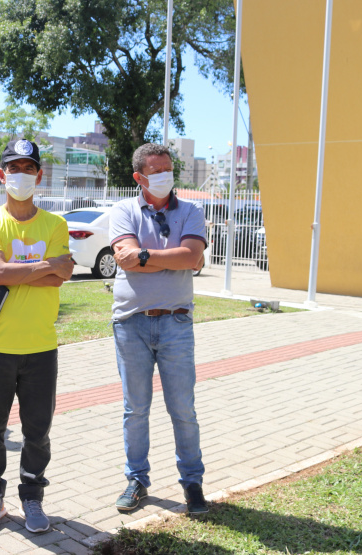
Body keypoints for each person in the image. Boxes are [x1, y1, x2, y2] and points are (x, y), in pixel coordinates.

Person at [0, 138, 75, 534]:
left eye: (29, 168)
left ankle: (32, 497)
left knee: (37, 434)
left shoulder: (55, 224)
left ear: (39, 176)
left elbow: (62, 277)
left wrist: (10, 273)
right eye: (14, 168)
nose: (21, 175)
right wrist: (46, 265)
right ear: (2, 175)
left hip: (40, 349)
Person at [108, 143, 209, 516]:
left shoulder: (191, 211)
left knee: (183, 408)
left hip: (176, 322)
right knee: (135, 409)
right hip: (131, 322)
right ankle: (136, 480)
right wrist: (171, 258)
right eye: (157, 170)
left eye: (169, 169)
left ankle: (192, 482)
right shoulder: (123, 211)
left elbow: (192, 256)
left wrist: (145, 256)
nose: (166, 175)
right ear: (139, 177)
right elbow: (125, 259)